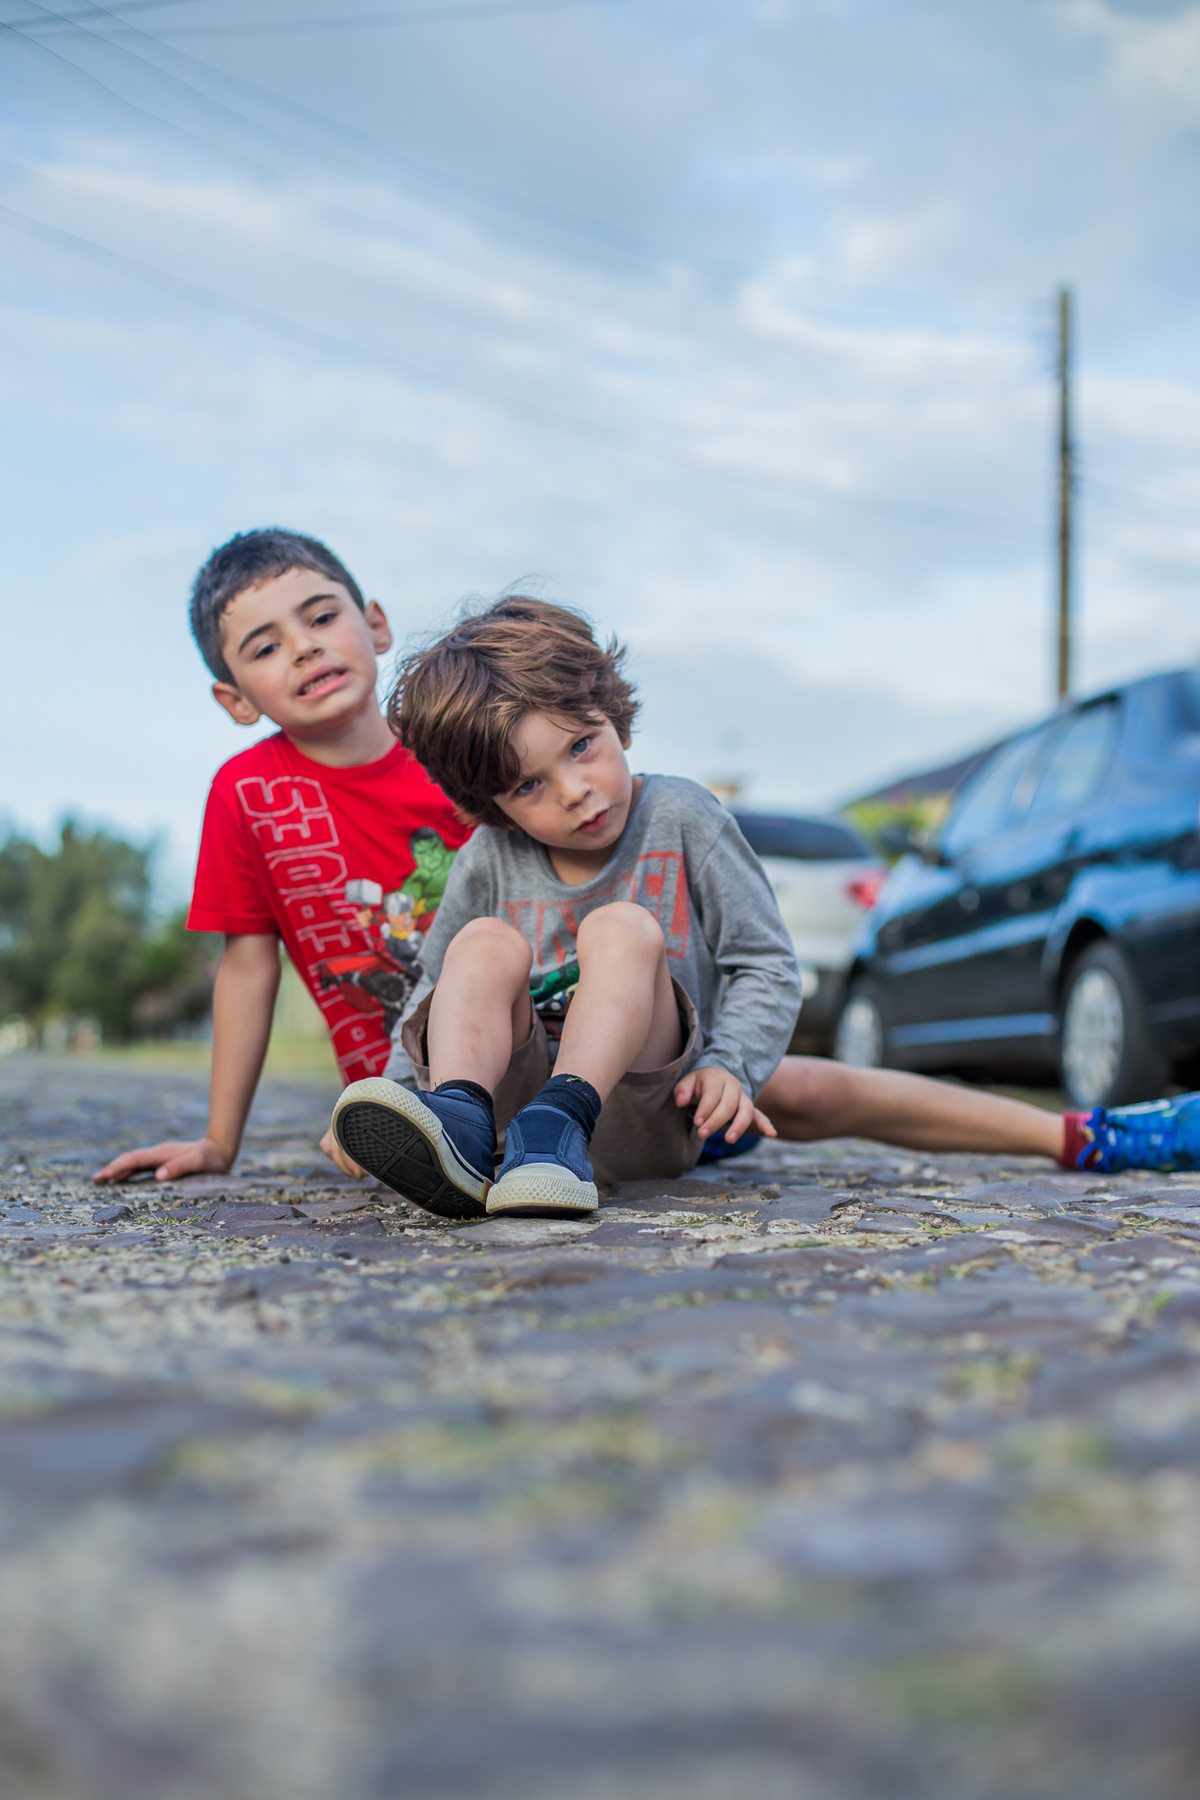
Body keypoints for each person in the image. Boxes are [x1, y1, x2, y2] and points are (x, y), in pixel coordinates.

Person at [326, 597, 1196, 1223]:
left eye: (582, 746)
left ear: (613, 716)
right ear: (488, 801)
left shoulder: (681, 816)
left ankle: (1081, 1136)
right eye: (529, 785)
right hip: (508, 1122)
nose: (576, 790)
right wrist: (398, 1097)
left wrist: (733, 1066)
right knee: (478, 944)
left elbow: (765, 962)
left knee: (680, 977)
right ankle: (456, 1128)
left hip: (646, 1102)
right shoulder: (489, 858)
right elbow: (434, 991)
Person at [93, 529, 472, 1186]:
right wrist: (220, 1140)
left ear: (375, 625)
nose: (304, 647)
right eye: (266, 648)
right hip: (398, 1105)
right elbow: (246, 969)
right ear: (236, 699)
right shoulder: (245, 794)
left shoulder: (462, 747)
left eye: (321, 617)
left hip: (525, 1046)